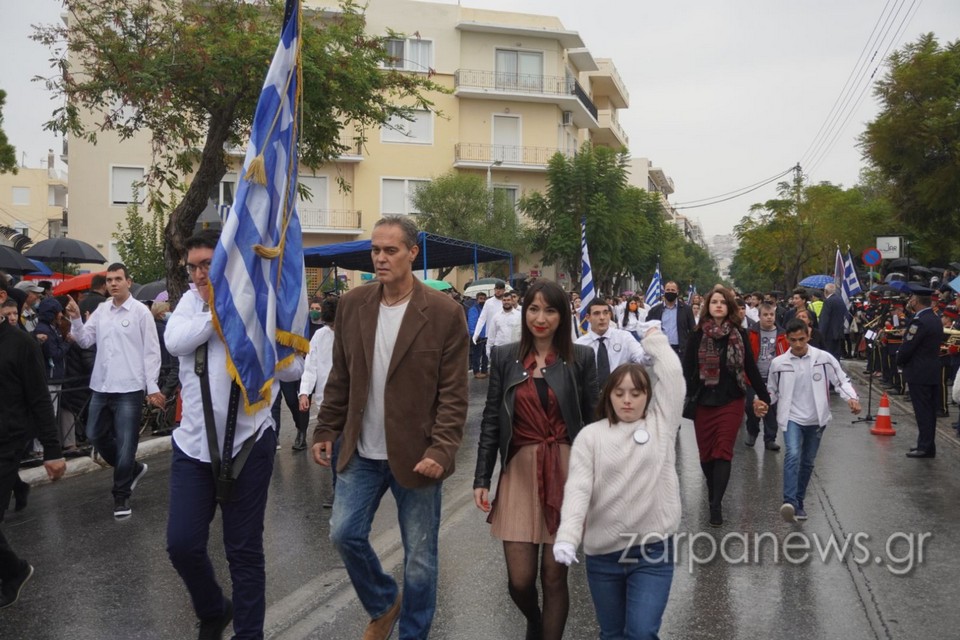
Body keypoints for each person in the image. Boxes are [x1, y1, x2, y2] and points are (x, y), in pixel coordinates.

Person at [311, 216, 468, 640]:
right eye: (375, 250)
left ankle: (412, 634)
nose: (380, 258)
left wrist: (441, 450)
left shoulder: (444, 313)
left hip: (418, 455)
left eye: (390, 250)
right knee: (344, 532)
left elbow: (454, 394)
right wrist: (325, 428)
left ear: (412, 253)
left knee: (419, 557)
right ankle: (383, 603)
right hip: (360, 450)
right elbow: (341, 376)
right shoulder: (353, 304)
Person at [164, 231, 304, 639]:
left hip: (249, 444)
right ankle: (213, 609)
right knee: (182, 544)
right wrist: (221, 315)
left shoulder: (259, 305)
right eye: (192, 267)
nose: (199, 274)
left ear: (227, 264)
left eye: (207, 264)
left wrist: (257, 331)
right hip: (193, 447)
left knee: (243, 551)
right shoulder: (190, 304)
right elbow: (174, 342)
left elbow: (294, 369)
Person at [474, 279, 598, 640]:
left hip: (567, 472)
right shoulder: (504, 357)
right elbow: (492, 420)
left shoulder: (581, 358)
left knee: (554, 576)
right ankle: (535, 619)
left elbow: (594, 422)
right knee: (520, 580)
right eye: (533, 309)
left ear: (563, 316)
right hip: (519, 472)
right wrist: (482, 478)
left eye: (550, 310)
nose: (540, 318)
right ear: (524, 311)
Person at [553, 327, 684, 640]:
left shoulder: (661, 425)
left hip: (652, 551)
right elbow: (578, 490)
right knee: (612, 634)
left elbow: (673, 377)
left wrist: (655, 339)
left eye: (636, 394)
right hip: (603, 556)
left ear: (648, 396)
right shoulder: (591, 437)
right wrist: (568, 536)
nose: (627, 401)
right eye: (619, 393)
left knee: (641, 632)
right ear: (608, 396)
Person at [65, 263, 163, 518]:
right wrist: (75, 319)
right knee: (94, 435)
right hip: (102, 385)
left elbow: (152, 352)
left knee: (126, 443)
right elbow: (85, 340)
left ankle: (121, 495)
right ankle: (133, 469)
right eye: (109, 280)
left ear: (128, 282)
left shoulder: (141, 312)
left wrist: (151, 386)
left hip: (130, 387)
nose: (113, 284)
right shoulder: (101, 310)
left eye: (118, 279)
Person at [0, 282, 67, 609]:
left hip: (7, 443)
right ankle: (13, 569)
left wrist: (53, 451)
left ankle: (14, 572)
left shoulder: (21, 344)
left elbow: (40, 399)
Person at [682, 286, 771, 527]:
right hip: (703, 401)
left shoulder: (739, 334)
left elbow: (749, 367)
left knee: (722, 451)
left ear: (729, 306)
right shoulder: (697, 334)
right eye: (714, 302)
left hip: (731, 400)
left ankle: (716, 504)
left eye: (723, 302)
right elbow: (687, 370)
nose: (719, 305)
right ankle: (713, 491)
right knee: (706, 455)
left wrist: (765, 396)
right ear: (707, 307)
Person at [767, 319, 861, 521]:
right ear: (787, 339)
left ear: (808, 336)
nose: (798, 344)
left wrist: (851, 398)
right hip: (791, 417)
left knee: (808, 462)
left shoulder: (824, 359)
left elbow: (841, 381)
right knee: (793, 454)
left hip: (817, 418)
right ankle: (789, 502)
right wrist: (763, 402)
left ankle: (799, 502)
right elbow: (772, 390)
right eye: (793, 340)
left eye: (802, 339)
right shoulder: (778, 363)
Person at [299, 295, 338, 506]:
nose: (332, 328)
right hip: (326, 400)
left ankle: (342, 489)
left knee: (343, 446)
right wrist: (304, 393)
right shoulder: (319, 336)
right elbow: (310, 366)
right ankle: (338, 488)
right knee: (333, 445)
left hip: (350, 401)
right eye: (329, 325)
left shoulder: (354, 332)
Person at [897, 287, 944, 458]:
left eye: (911, 298)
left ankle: (924, 446)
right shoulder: (935, 318)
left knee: (922, 411)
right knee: (929, 411)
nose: (910, 301)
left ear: (916, 301)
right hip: (932, 369)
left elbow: (909, 346)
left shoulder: (919, 321)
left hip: (919, 371)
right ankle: (927, 445)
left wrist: (899, 360)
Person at [576, 298, 649, 389]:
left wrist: (651, 346)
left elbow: (642, 359)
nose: (602, 317)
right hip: (591, 394)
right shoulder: (580, 345)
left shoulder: (624, 337)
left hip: (620, 392)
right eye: (596, 313)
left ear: (610, 315)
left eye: (605, 313)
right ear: (588, 318)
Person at [745, 302, 788, 451]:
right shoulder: (751, 333)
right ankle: (752, 431)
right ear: (759, 316)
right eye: (765, 315)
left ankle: (770, 438)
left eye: (771, 315)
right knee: (751, 407)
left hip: (773, 378)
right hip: (753, 378)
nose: (769, 318)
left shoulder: (782, 334)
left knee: (771, 408)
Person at [647, 281, 696, 357]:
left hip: (680, 350)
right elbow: (648, 329)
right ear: (664, 291)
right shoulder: (655, 310)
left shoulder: (686, 310)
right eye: (668, 290)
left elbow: (693, 330)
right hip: (660, 349)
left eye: (673, 290)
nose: (670, 292)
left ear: (677, 292)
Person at [486, 290, 522, 359]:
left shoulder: (519, 316)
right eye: (504, 300)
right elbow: (491, 335)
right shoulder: (496, 317)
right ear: (502, 301)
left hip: (515, 351)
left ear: (512, 301)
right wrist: (488, 352)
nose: (506, 302)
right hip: (499, 351)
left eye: (508, 300)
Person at [819, 283, 848, 360]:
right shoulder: (840, 300)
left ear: (825, 291)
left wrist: (820, 335)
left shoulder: (828, 301)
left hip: (829, 334)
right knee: (836, 356)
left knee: (828, 356)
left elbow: (824, 320)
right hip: (838, 333)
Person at [467, 292, 489, 378]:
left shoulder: (486, 309)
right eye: (481, 298)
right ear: (477, 299)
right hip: (478, 336)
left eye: (484, 299)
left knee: (486, 355)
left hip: (486, 335)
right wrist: (474, 334)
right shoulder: (474, 309)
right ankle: (476, 371)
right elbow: (471, 322)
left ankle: (484, 370)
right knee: (477, 355)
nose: (482, 300)